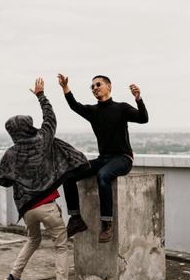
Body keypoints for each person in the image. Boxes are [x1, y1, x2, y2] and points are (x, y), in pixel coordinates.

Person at [0, 77, 90, 280]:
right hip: (47, 205)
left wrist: (18, 179)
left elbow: (1, 179)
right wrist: (41, 95)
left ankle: (14, 276)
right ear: (28, 126)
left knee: (33, 240)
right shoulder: (42, 140)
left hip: (27, 209)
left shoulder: (10, 153)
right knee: (61, 246)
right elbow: (50, 118)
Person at [57, 73, 149, 243]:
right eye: (92, 86)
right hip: (103, 159)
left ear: (109, 86)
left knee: (103, 176)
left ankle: (107, 224)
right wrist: (65, 88)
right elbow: (74, 106)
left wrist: (138, 99)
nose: (95, 88)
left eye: (98, 84)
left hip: (123, 158)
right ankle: (76, 219)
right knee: (68, 175)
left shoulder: (121, 108)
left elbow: (143, 119)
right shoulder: (93, 111)